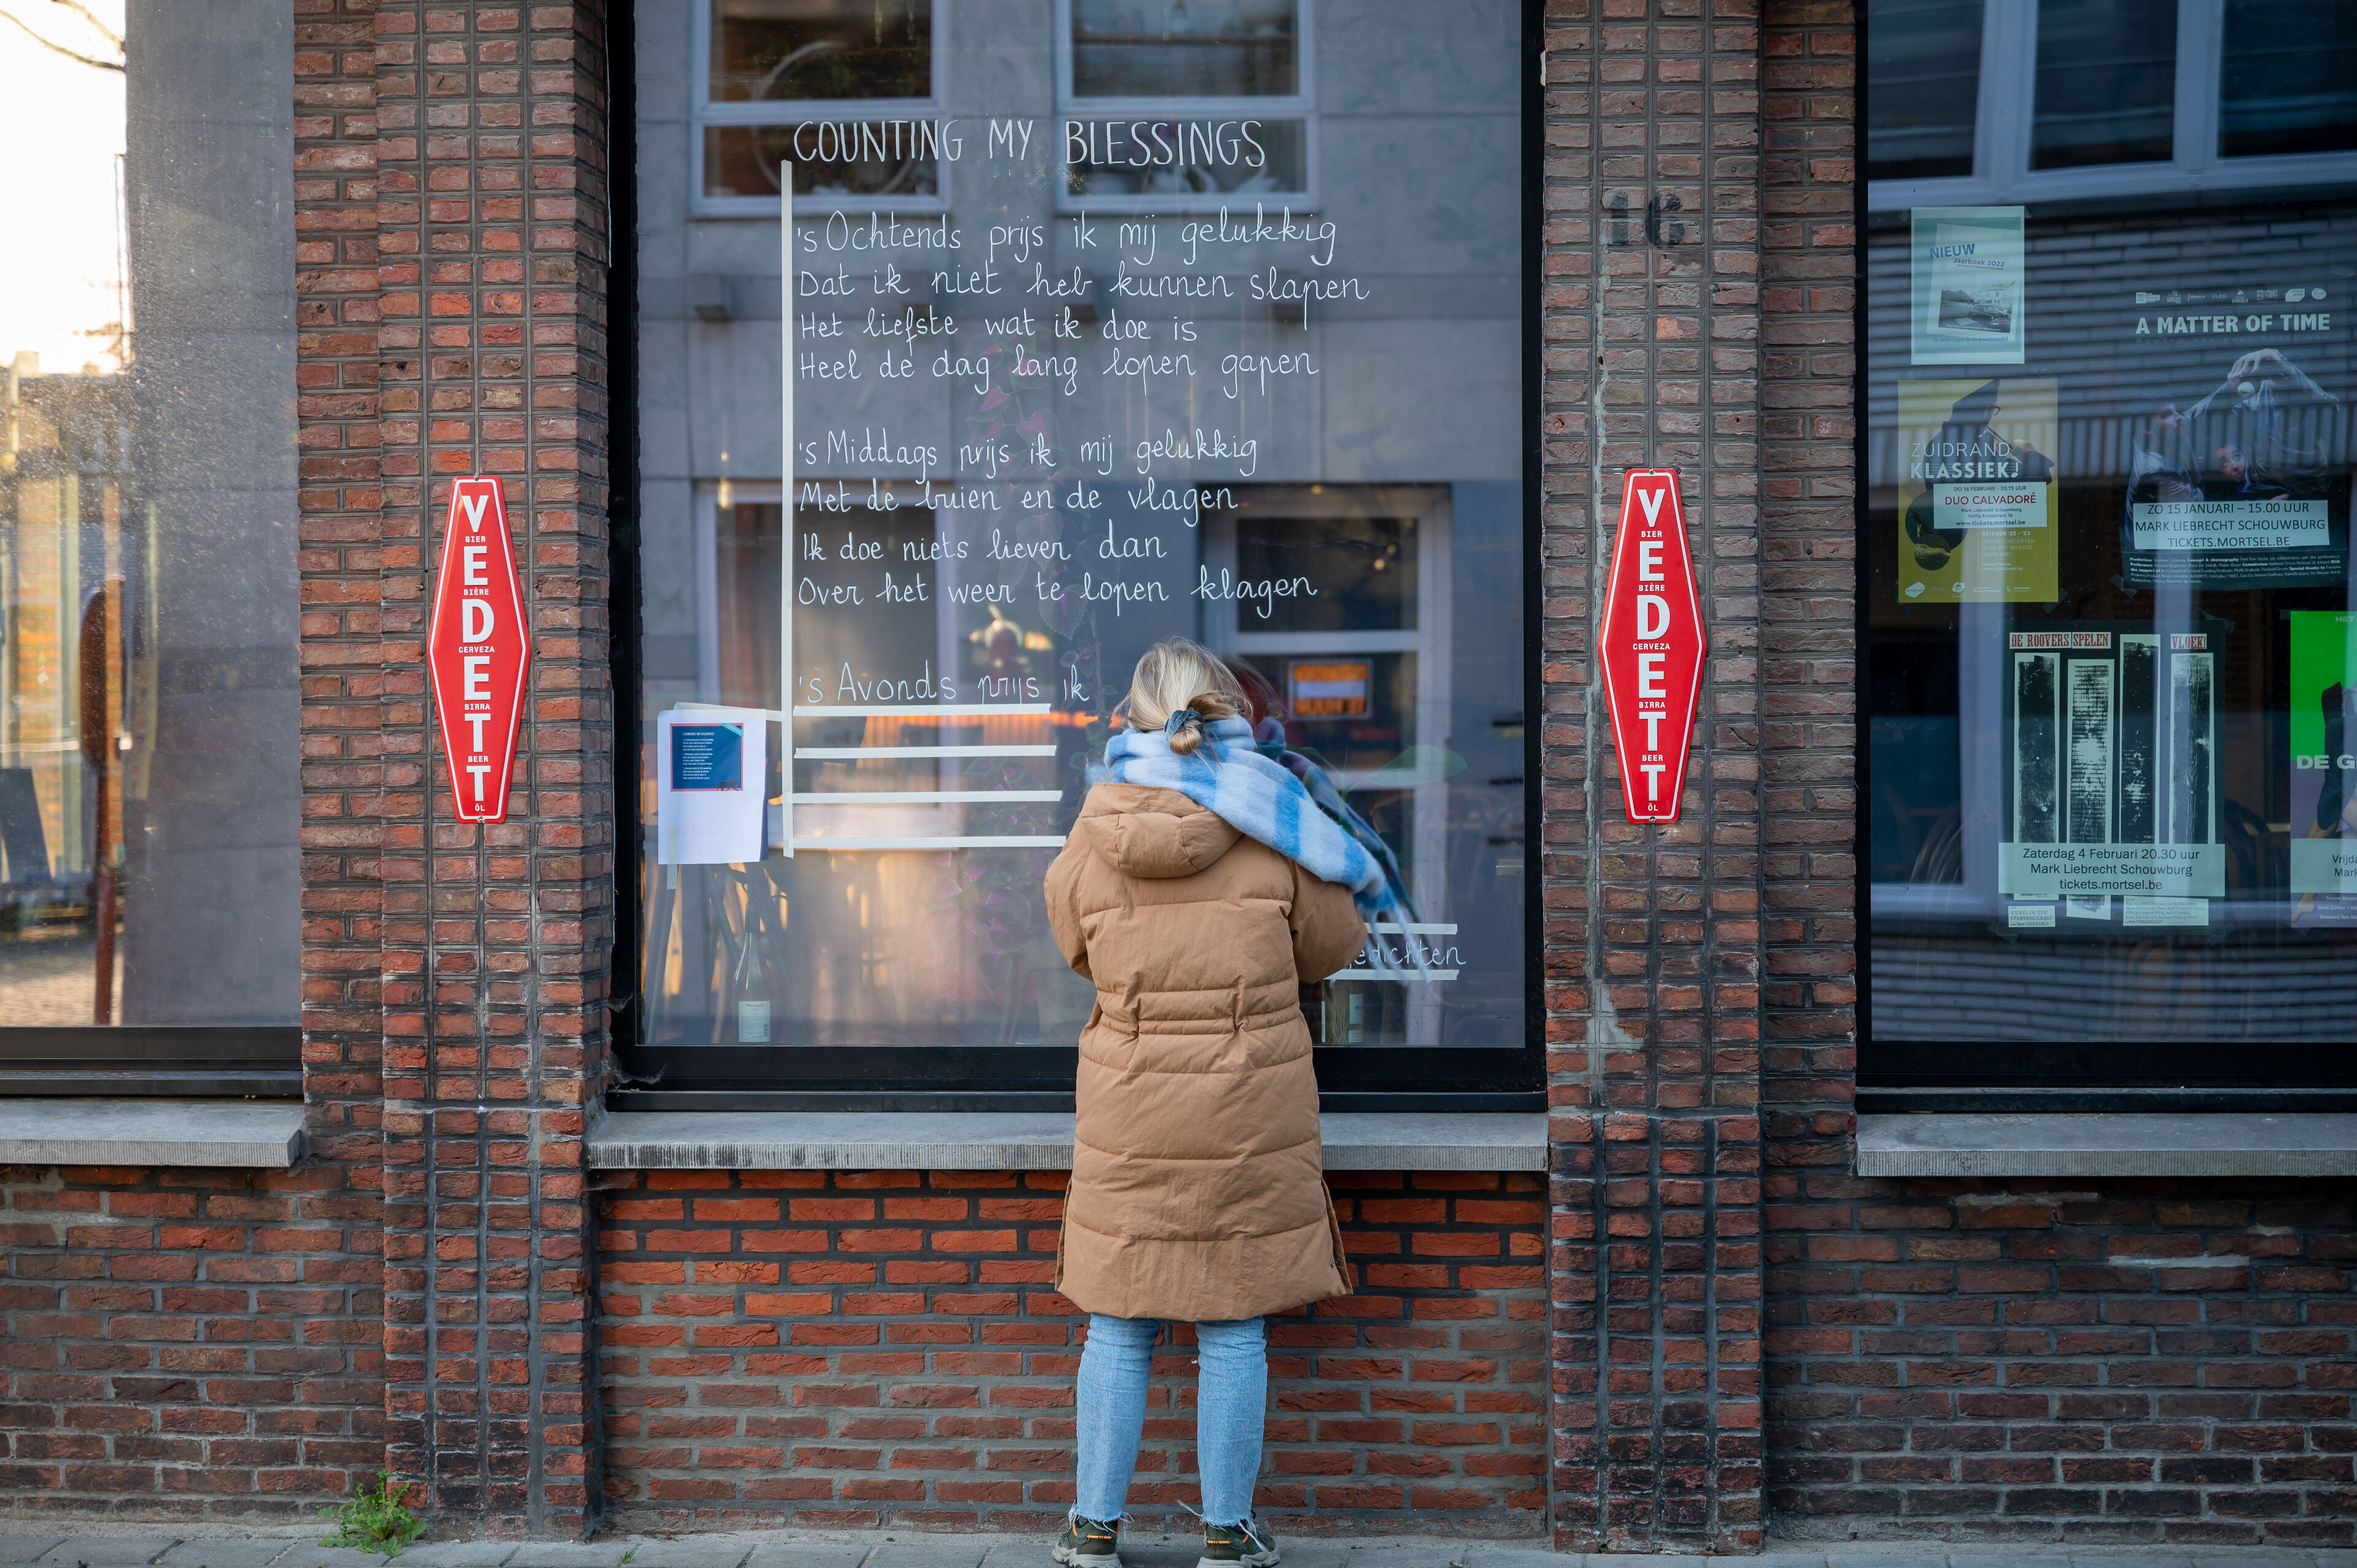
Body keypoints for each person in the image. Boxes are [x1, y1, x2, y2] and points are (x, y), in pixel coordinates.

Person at [1042, 637, 1415, 1568]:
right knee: (1234, 1323)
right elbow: (1330, 947)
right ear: (1230, 715)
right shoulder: (1274, 816)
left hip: (1130, 1105)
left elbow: (1074, 946)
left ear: (1132, 718)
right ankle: (1227, 1533)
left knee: (1117, 1320)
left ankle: (1093, 1529)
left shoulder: (1096, 828)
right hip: (1249, 1106)